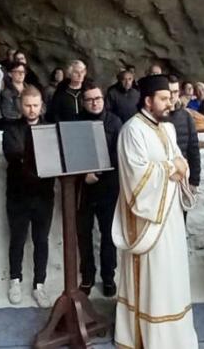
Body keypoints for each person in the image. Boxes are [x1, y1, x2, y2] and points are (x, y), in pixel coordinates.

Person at [112, 75, 198, 348]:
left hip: (170, 217)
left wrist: (180, 166)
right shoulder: (132, 131)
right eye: (164, 99)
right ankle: (149, 337)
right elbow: (136, 176)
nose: (170, 103)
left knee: (171, 273)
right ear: (148, 101)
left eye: (170, 98)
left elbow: (179, 160)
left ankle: (174, 336)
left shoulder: (167, 129)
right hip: (147, 220)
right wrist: (173, 168)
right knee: (154, 276)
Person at [2, 86, 55, 307]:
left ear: (41, 106)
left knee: (41, 240)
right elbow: (14, 155)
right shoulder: (11, 129)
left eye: (35, 105)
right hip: (18, 194)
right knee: (17, 239)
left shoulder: (50, 129)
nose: (32, 109)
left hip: (44, 194)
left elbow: (53, 158)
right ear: (20, 106)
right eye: (27, 105)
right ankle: (15, 280)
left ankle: (39, 285)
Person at [77, 85, 123, 297]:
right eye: (90, 99)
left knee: (108, 235)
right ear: (83, 102)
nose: (95, 102)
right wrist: (83, 175)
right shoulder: (75, 122)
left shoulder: (114, 122)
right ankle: (87, 276)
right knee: (83, 235)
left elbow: (118, 153)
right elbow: (72, 152)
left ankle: (108, 277)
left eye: (98, 98)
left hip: (108, 187)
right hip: (83, 189)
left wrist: (98, 173)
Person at [167, 75, 201, 195]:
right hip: (164, 177)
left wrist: (194, 181)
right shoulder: (156, 118)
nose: (172, 96)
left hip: (183, 177)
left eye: (175, 92)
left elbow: (194, 150)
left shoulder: (186, 117)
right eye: (169, 92)